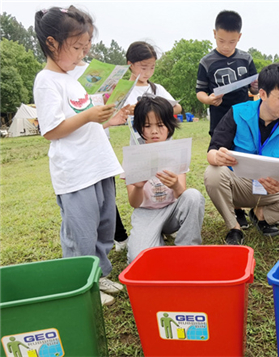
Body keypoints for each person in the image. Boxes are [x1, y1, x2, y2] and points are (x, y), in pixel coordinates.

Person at [34, 6, 130, 306]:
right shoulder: (46, 80)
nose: (80, 55)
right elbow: (52, 130)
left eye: (84, 48)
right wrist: (90, 115)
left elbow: (85, 119)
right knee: (81, 232)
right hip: (75, 171)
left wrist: (107, 118)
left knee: (103, 225)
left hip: (98, 162)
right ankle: (81, 282)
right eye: (76, 47)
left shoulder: (78, 76)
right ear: (52, 43)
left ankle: (99, 273)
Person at [204, 63, 279, 245]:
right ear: (263, 94)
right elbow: (213, 150)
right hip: (239, 186)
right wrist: (217, 157)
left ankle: (260, 215)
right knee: (213, 172)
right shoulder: (238, 113)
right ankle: (234, 227)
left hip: (273, 189)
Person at [67, 14, 128, 252]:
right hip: (77, 155)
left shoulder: (93, 70)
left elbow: (98, 110)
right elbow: (56, 127)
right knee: (84, 213)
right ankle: (94, 260)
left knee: (105, 202)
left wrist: (111, 117)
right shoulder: (59, 77)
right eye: (79, 43)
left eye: (89, 40)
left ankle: (113, 244)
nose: (85, 47)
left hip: (100, 144)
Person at [196, 10, 259, 230]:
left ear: (239, 37)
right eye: (222, 40)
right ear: (214, 34)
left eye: (231, 41)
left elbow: (255, 87)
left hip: (244, 116)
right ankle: (237, 211)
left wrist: (256, 86)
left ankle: (251, 203)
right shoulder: (206, 61)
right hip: (219, 116)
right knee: (224, 159)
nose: (226, 45)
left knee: (242, 157)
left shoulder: (246, 58)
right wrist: (208, 99)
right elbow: (200, 92)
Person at [125, 96, 205, 263]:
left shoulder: (177, 151)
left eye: (160, 125)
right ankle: (154, 240)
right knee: (139, 260)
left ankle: (187, 248)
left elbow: (181, 194)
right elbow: (134, 203)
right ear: (139, 128)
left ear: (170, 126)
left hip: (171, 210)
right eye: (147, 126)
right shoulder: (133, 157)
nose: (154, 131)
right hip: (146, 213)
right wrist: (138, 187)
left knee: (194, 196)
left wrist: (175, 184)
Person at [124, 41, 182, 147]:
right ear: (130, 64)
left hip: (163, 145)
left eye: (152, 67)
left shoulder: (157, 89)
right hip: (139, 146)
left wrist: (153, 111)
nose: (148, 72)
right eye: (144, 67)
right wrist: (130, 111)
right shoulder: (123, 90)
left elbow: (177, 108)